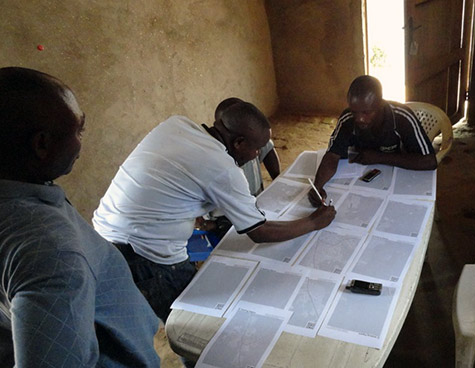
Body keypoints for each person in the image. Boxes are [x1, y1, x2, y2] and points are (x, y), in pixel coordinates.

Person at [92, 101, 336, 325]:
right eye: (256, 150)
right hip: (147, 255)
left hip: (104, 237)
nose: (256, 156)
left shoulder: (177, 124)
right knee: (192, 322)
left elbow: (172, 183)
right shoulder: (223, 169)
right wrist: (314, 222)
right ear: (239, 143)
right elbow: (260, 232)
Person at [0, 67, 160, 367]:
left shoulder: (25, 195)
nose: (80, 144)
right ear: (42, 144)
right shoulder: (52, 250)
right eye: (78, 130)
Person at [309, 75, 437, 206]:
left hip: (399, 177)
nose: (359, 119)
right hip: (362, 180)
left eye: (366, 112)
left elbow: (429, 161)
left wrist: (379, 157)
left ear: (380, 104)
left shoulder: (401, 117)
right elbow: (332, 155)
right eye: (355, 112)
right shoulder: (348, 119)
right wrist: (317, 186)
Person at [215, 97, 281, 196]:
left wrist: (278, 180)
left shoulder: (251, 140)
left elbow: (268, 150)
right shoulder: (217, 158)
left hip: (257, 193)